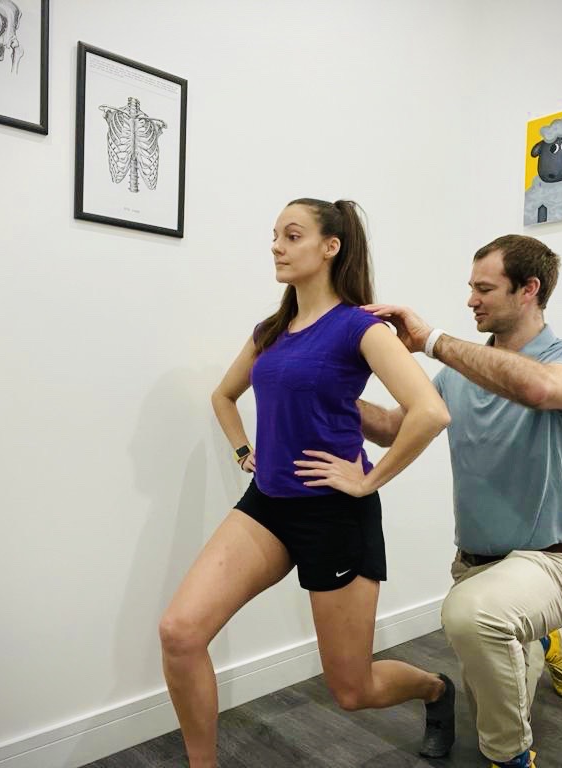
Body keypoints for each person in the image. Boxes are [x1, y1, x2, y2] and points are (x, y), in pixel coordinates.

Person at [158, 198, 456, 768]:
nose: (276, 246)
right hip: (267, 505)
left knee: (352, 690)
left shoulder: (359, 327)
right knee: (180, 631)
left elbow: (429, 412)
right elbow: (223, 395)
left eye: (292, 235)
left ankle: (436, 690)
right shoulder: (270, 331)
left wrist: (368, 482)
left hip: (334, 514)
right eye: (274, 235)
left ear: (330, 247)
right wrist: (244, 451)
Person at [359, 234, 562, 768]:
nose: (471, 300)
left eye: (485, 289)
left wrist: (432, 341)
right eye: (471, 287)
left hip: (550, 563)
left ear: (529, 290)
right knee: (482, 629)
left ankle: (509, 757)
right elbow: (389, 429)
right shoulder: (456, 375)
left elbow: (541, 389)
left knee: (471, 618)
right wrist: (322, 391)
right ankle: (543, 639)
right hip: (473, 567)